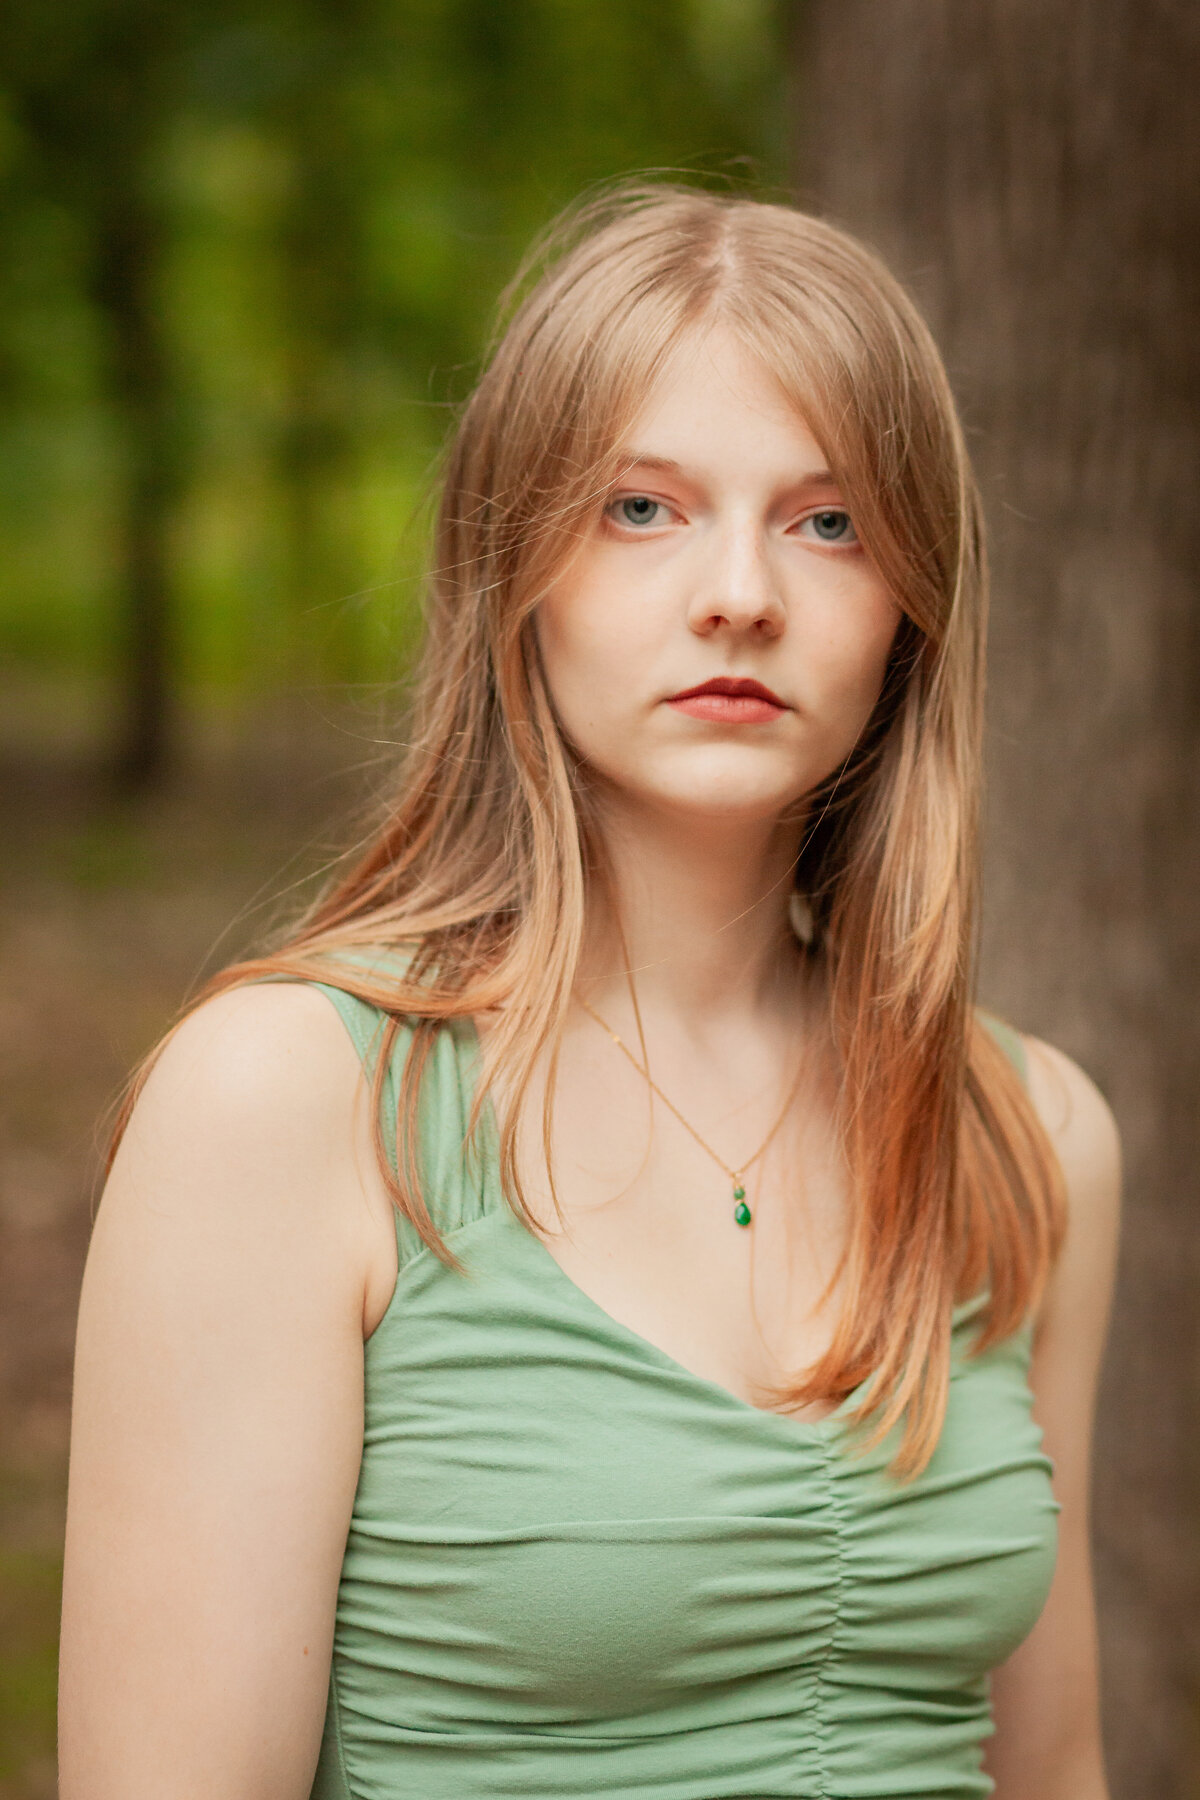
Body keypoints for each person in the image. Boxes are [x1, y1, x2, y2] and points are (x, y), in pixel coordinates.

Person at [58, 184, 1120, 1800]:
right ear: (514, 567)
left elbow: (1058, 1765)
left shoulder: (1026, 1133)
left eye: (828, 522)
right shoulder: (282, 1102)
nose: (740, 593)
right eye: (644, 507)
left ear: (912, 612)